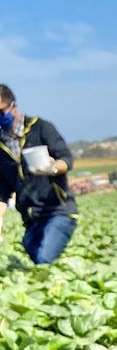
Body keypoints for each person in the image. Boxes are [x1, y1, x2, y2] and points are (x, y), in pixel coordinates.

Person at [0, 84, 78, 264]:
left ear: (13, 105)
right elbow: (2, 190)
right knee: (33, 252)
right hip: (31, 216)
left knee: (44, 258)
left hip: (58, 210)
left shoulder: (41, 128)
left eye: (1, 110)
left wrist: (53, 168)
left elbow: (66, 158)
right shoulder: (1, 146)